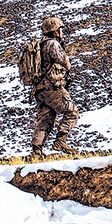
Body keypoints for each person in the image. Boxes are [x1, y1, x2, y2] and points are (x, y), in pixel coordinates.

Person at [30, 17, 79, 157]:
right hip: (52, 87)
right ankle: (61, 140)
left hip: (39, 89)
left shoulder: (39, 45)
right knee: (72, 111)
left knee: (45, 118)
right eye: (60, 29)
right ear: (55, 31)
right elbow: (65, 62)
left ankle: (36, 150)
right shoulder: (53, 44)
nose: (62, 32)